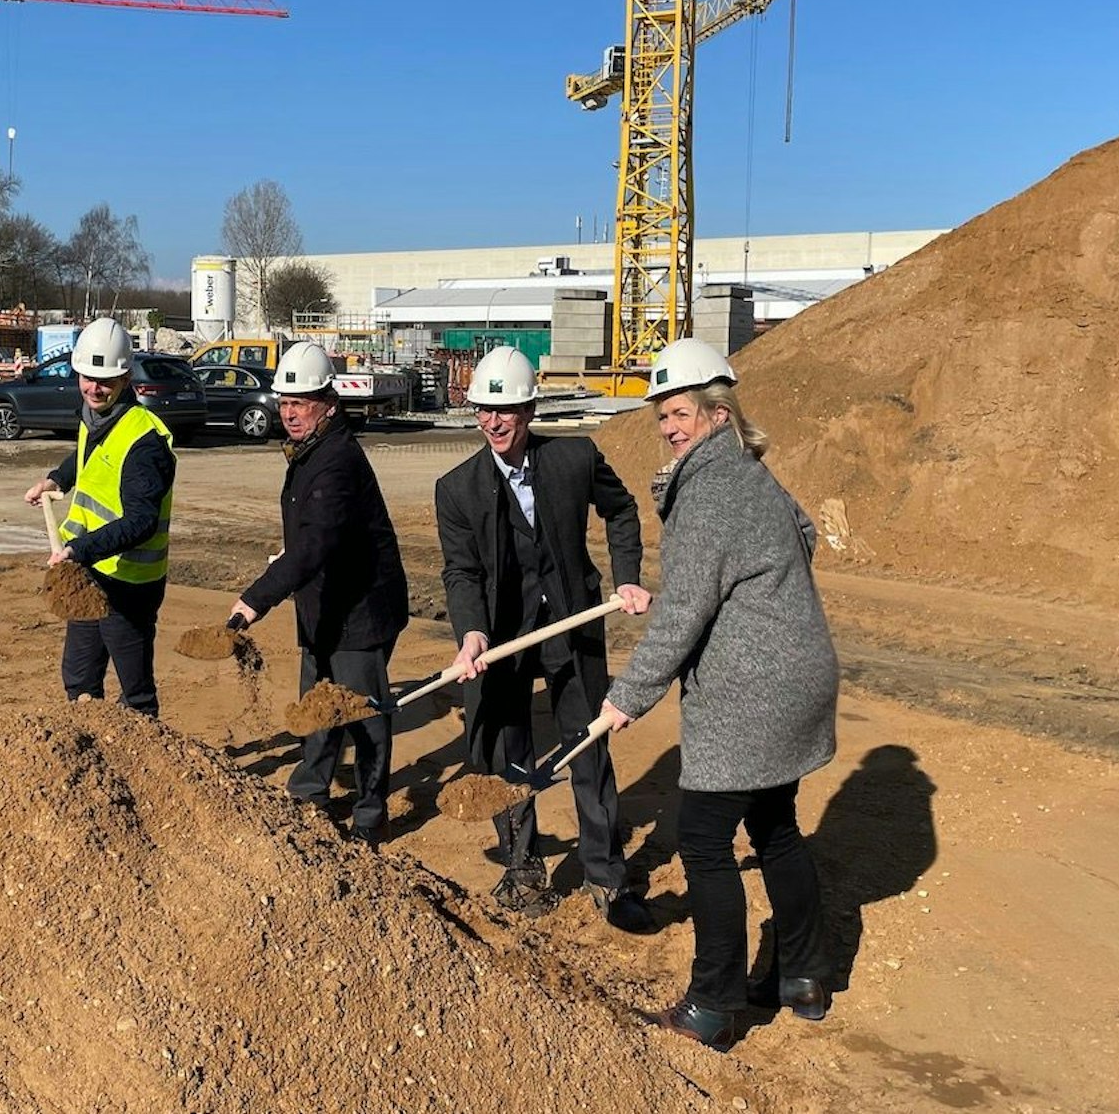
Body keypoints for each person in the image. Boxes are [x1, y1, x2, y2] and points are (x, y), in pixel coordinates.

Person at [600, 338, 838, 1049]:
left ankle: (712, 1003)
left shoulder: (706, 490)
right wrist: (730, 596)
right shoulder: (750, 471)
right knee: (774, 824)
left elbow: (685, 616)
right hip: (801, 673)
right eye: (661, 415)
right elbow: (803, 535)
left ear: (715, 410)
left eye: (679, 411)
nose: (669, 426)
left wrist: (627, 695)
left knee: (703, 836)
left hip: (751, 690)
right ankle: (803, 976)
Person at [435, 346, 653, 930]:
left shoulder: (574, 459)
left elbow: (622, 509)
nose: (493, 422)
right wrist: (472, 632)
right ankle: (523, 866)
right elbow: (461, 571)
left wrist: (627, 577)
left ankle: (608, 878)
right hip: (504, 634)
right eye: (484, 410)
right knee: (511, 754)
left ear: (530, 410)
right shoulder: (456, 489)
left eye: (505, 410)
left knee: (588, 747)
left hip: (573, 623)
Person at [231, 343, 409, 846]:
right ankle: (310, 793)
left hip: (360, 609)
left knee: (362, 714)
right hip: (322, 602)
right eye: (284, 402)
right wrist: (288, 565)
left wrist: (256, 598)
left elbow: (316, 541)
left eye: (301, 403)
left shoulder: (336, 459)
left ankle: (371, 817)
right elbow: (311, 540)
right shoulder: (310, 450)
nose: (289, 412)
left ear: (327, 404)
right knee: (315, 702)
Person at [24, 317, 177, 717]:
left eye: (105, 381)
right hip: (92, 570)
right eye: (87, 377)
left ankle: (147, 763)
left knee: (135, 690)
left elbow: (142, 520)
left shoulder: (145, 443)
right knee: (79, 677)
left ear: (126, 378)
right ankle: (92, 761)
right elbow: (88, 455)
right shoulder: (95, 417)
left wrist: (78, 548)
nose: (95, 388)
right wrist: (57, 479)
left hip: (129, 584)